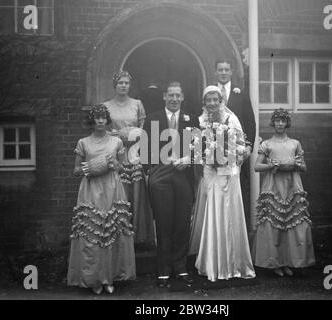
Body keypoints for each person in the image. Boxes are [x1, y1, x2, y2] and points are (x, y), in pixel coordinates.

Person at [67, 104, 136, 295]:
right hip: (91, 190)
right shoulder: (83, 143)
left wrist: (114, 164)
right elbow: (75, 171)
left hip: (112, 188)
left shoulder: (116, 142)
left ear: (107, 120)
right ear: (92, 121)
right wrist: (93, 166)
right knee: (93, 234)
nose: (100, 121)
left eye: (103, 117)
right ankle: (95, 279)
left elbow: (123, 168)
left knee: (112, 232)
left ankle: (110, 277)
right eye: (96, 118)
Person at [189, 86, 256, 282]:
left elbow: (242, 145)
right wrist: (208, 156)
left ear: (221, 101)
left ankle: (235, 264)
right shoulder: (200, 122)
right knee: (214, 213)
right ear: (204, 102)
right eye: (208, 100)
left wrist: (231, 155)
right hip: (211, 172)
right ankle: (214, 264)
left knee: (231, 212)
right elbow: (194, 147)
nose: (212, 103)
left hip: (230, 173)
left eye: (215, 100)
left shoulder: (231, 119)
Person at [143, 81, 199, 288]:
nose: (174, 99)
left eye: (178, 95)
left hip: (183, 174)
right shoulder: (153, 118)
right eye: (171, 95)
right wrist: (152, 169)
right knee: (164, 223)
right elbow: (145, 147)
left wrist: (188, 159)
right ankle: (164, 271)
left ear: (183, 97)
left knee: (182, 222)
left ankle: (181, 267)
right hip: (161, 173)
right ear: (164, 96)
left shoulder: (191, 118)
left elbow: (200, 146)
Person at [252, 108, 315, 276]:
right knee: (274, 222)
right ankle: (274, 262)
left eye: (283, 120)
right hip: (273, 186)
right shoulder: (266, 144)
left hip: (292, 184)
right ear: (273, 123)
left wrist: (295, 163)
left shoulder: (295, 143)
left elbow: (304, 167)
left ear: (287, 123)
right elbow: (257, 166)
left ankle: (288, 261)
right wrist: (271, 165)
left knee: (290, 221)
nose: (280, 123)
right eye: (277, 120)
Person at [103, 71, 155, 247]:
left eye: (126, 83)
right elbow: (102, 130)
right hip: (116, 151)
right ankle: (118, 235)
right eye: (120, 83)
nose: (123, 85)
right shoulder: (106, 106)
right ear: (115, 85)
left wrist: (134, 135)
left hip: (134, 151)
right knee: (119, 191)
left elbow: (144, 127)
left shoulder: (137, 104)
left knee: (137, 191)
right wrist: (118, 136)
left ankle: (139, 236)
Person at [214, 58, 256, 226]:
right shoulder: (210, 94)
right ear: (215, 72)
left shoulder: (241, 94)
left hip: (237, 151)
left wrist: (248, 146)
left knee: (238, 188)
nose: (223, 73)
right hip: (215, 150)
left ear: (231, 72)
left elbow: (250, 122)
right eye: (220, 70)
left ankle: (239, 229)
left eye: (226, 70)